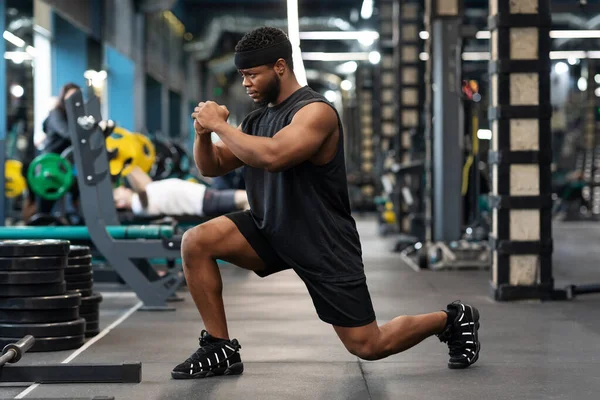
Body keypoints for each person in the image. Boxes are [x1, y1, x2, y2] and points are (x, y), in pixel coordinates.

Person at [172, 27, 481, 380]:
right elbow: (210, 166)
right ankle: (219, 347)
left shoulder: (315, 112)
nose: (246, 84)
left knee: (369, 345)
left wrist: (221, 126)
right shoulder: (256, 119)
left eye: (252, 74)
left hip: (322, 241)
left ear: (280, 67)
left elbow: (274, 156)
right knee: (196, 241)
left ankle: (452, 318)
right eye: (243, 76)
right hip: (270, 228)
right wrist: (203, 134)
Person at [113, 167, 249, 217]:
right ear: (120, 204)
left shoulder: (146, 191)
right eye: (119, 192)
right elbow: (142, 192)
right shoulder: (138, 205)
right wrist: (128, 172)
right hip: (202, 201)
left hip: (204, 195)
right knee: (247, 199)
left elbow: (145, 182)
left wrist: (129, 165)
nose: (123, 189)